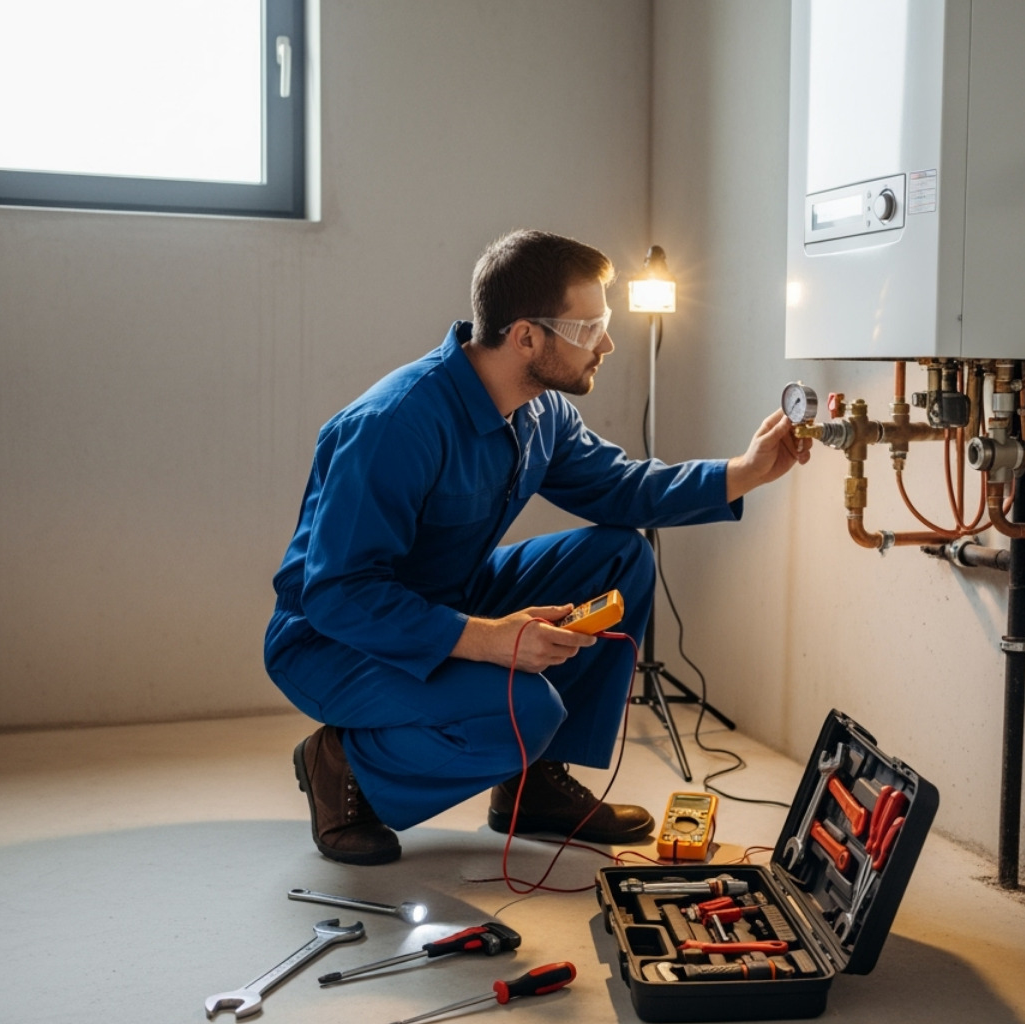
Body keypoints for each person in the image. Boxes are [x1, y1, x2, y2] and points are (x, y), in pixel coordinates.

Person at [264, 229, 810, 865]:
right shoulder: (394, 425)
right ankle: (341, 765)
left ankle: (534, 789)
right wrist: (489, 638)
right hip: (333, 642)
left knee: (620, 557)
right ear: (525, 336)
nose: (606, 344)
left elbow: (621, 488)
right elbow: (337, 595)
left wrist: (744, 471)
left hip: (449, 597)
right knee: (525, 711)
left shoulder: (540, 411)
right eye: (590, 327)